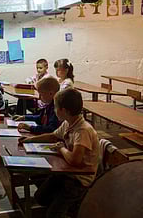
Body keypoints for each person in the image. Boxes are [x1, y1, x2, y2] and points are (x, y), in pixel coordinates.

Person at [18, 88, 99, 218]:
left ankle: (73, 205)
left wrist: (61, 148)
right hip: (67, 172)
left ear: (64, 111)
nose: (54, 110)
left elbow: (75, 160)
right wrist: (30, 140)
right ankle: (66, 205)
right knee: (40, 198)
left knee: (52, 215)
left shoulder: (82, 130)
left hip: (79, 180)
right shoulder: (69, 123)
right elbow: (53, 136)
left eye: (56, 108)